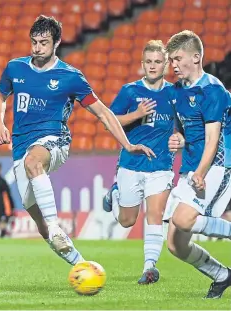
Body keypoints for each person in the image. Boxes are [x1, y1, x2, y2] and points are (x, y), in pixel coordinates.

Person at [0, 15, 155, 266]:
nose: (37, 48)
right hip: (20, 147)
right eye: (34, 42)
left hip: (54, 140)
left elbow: (102, 112)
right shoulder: (15, 68)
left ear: (56, 42)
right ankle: (81, 265)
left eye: (44, 42)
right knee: (39, 222)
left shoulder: (71, 77)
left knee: (34, 163)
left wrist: (128, 144)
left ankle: (57, 226)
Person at [164, 30, 231, 299]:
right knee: (175, 245)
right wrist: (177, 139)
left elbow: (213, 139)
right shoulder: (177, 92)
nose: (174, 65)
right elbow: (183, 131)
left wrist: (202, 173)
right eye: (171, 60)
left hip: (217, 165)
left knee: (183, 219)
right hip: (190, 168)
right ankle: (222, 274)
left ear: (196, 56)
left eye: (178, 59)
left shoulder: (213, 90)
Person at [102, 40, 175, 285]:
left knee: (155, 215)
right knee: (127, 221)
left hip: (161, 166)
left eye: (158, 62)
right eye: (149, 62)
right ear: (142, 64)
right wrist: (136, 115)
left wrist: (181, 139)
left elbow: (187, 124)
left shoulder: (174, 94)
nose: (153, 66)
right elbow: (109, 122)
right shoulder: (130, 91)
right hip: (131, 164)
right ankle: (114, 195)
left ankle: (149, 267)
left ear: (166, 64)